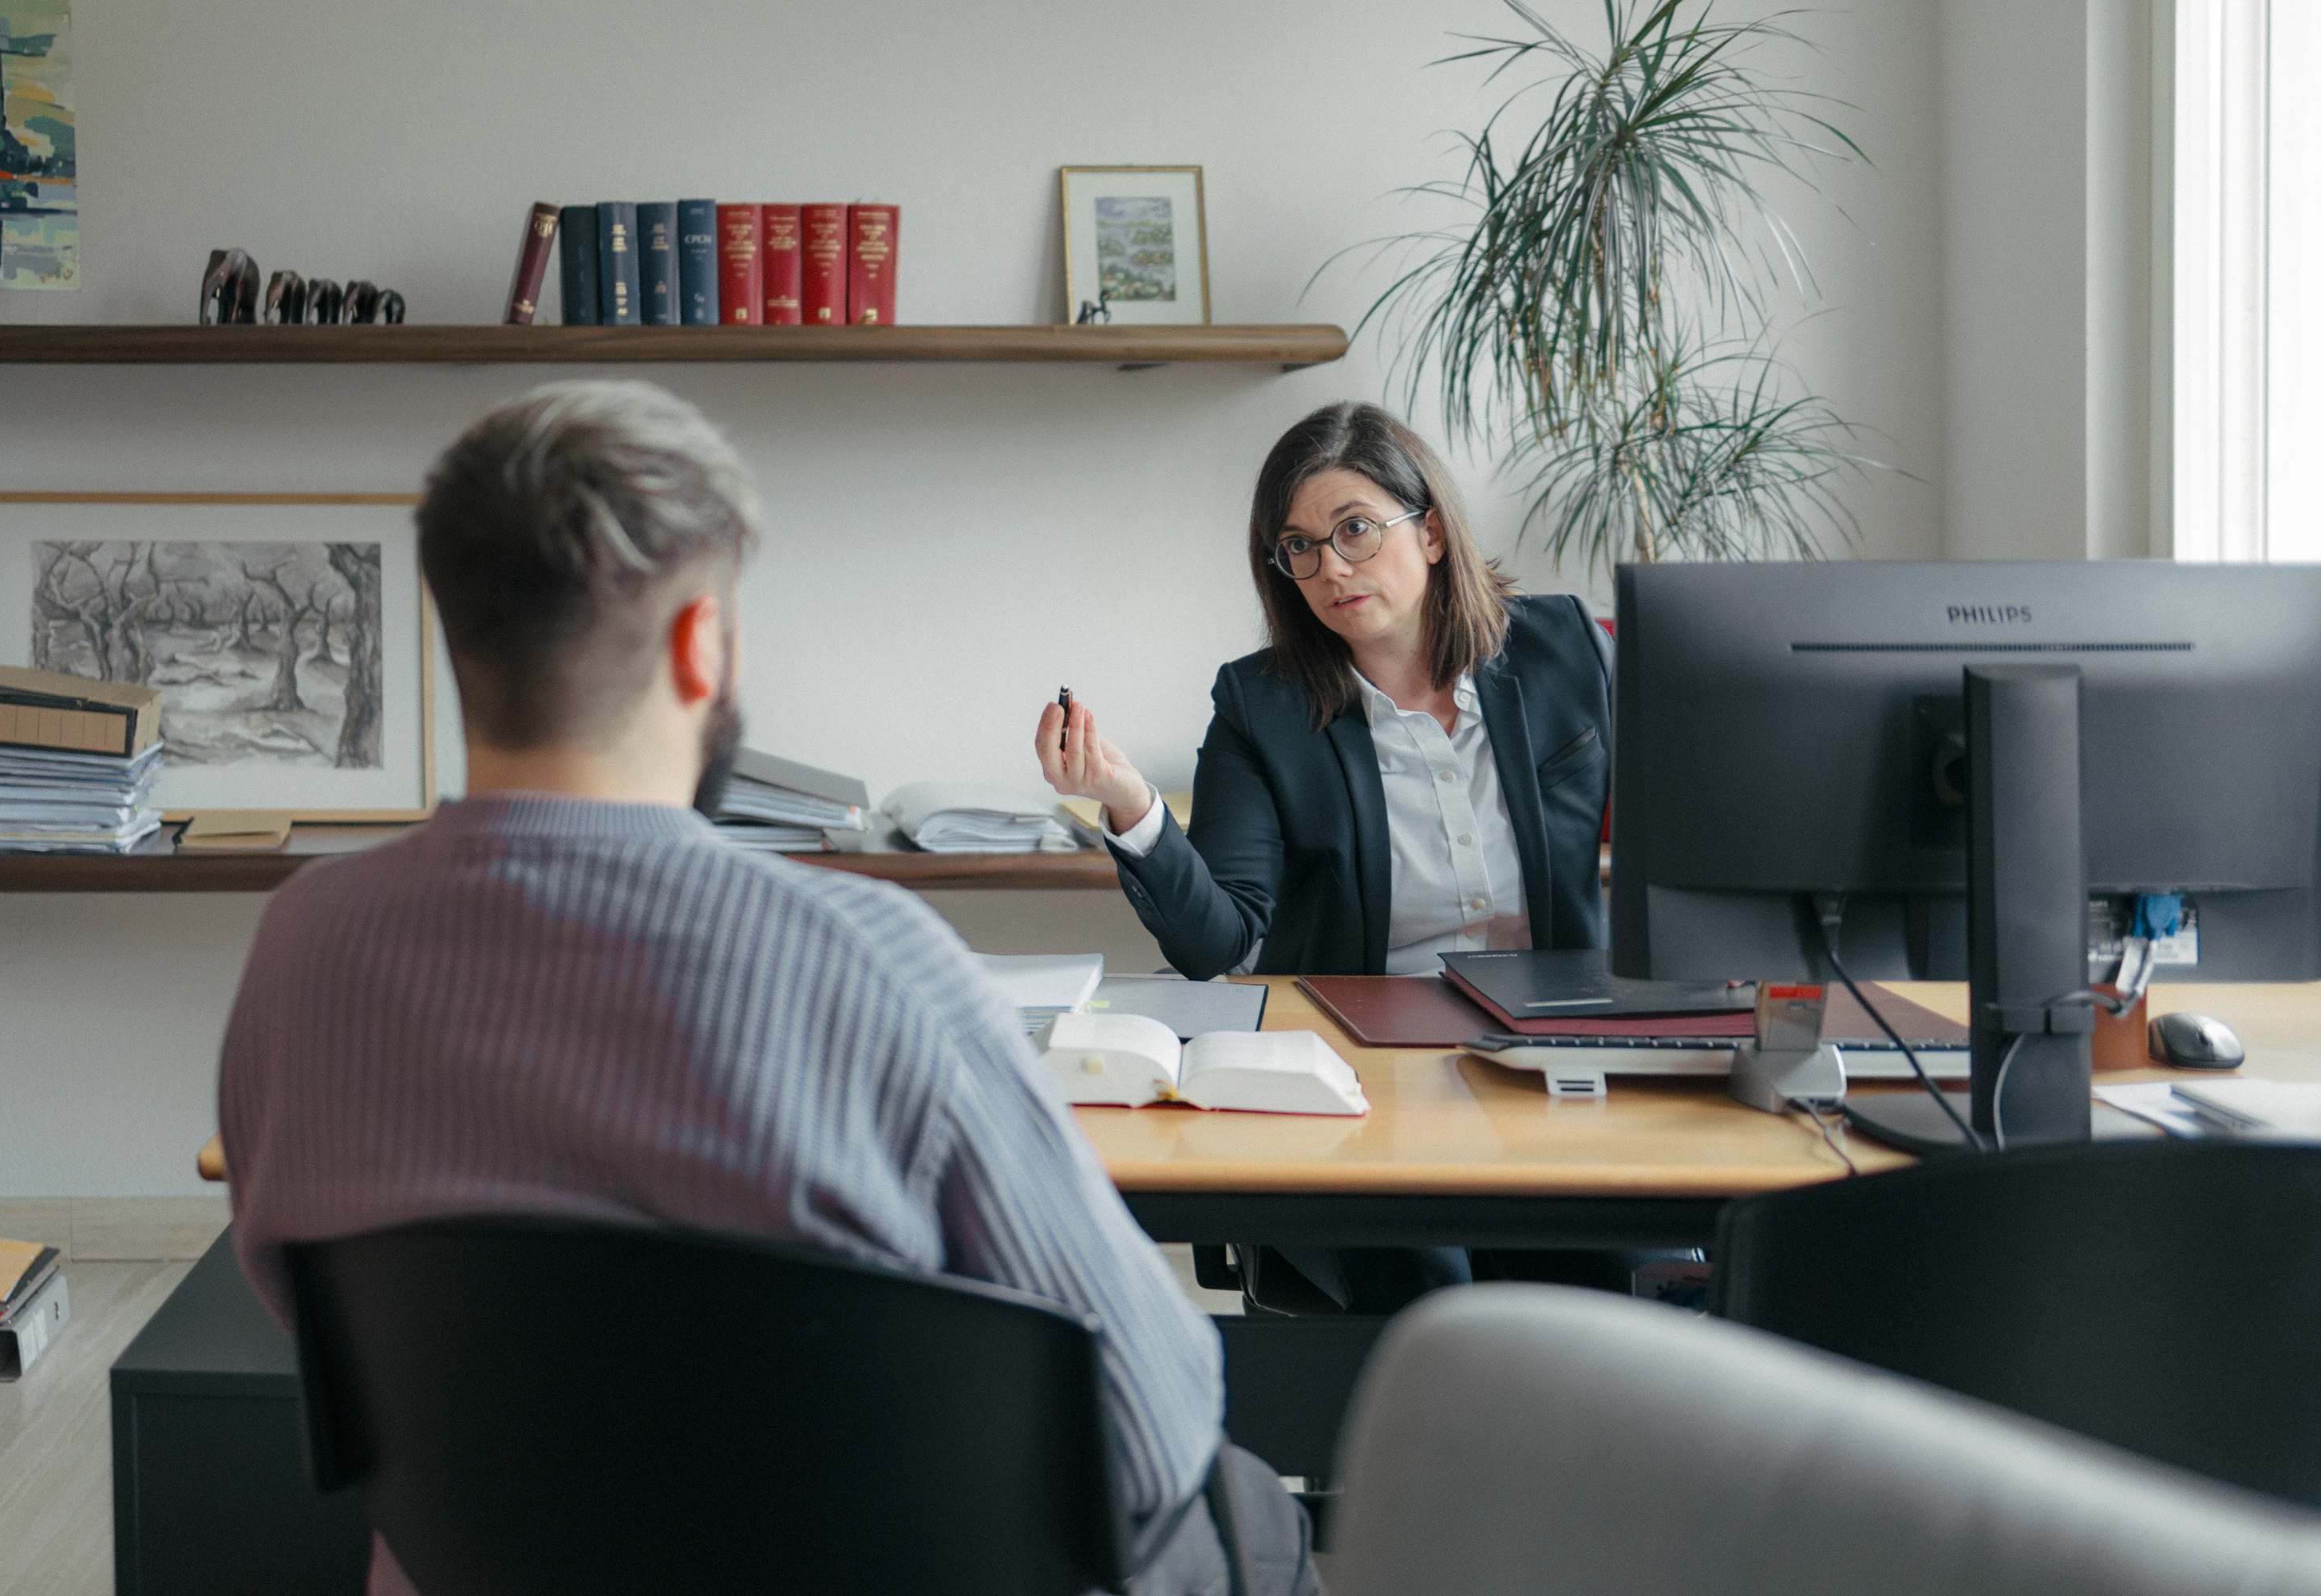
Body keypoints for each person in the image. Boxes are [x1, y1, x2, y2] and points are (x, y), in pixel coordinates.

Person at [219, 380, 1317, 1596]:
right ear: (704, 644)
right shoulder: (871, 964)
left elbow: (319, 1319)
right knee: (1245, 1510)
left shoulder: (303, 947)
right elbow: (1150, 1420)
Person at [1035, 401, 1619, 1313]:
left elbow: (1678, 843)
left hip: (1556, 1068)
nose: (1330, 566)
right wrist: (1128, 801)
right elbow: (1221, 943)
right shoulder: (1260, 705)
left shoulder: (1563, 649)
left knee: (1618, 1281)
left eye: (1354, 529)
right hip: (1359, 1087)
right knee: (1434, 1298)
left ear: (1429, 532)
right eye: (1299, 546)